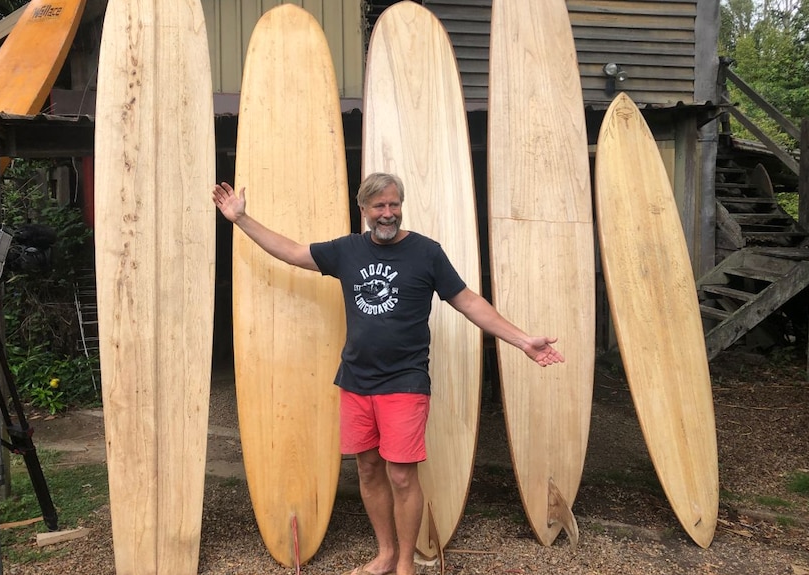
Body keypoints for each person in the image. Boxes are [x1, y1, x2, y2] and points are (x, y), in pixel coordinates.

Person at [212, 173, 565, 575]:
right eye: (379, 206)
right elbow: (292, 251)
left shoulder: (426, 253)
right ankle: (384, 553)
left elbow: (468, 301)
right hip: (356, 380)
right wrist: (241, 219)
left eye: (394, 204)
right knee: (367, 468)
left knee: (400, 475)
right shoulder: (346, 251)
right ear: (363, 210)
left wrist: (522, 341)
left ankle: (404, 563)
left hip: (405, 381)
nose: (388, 213)